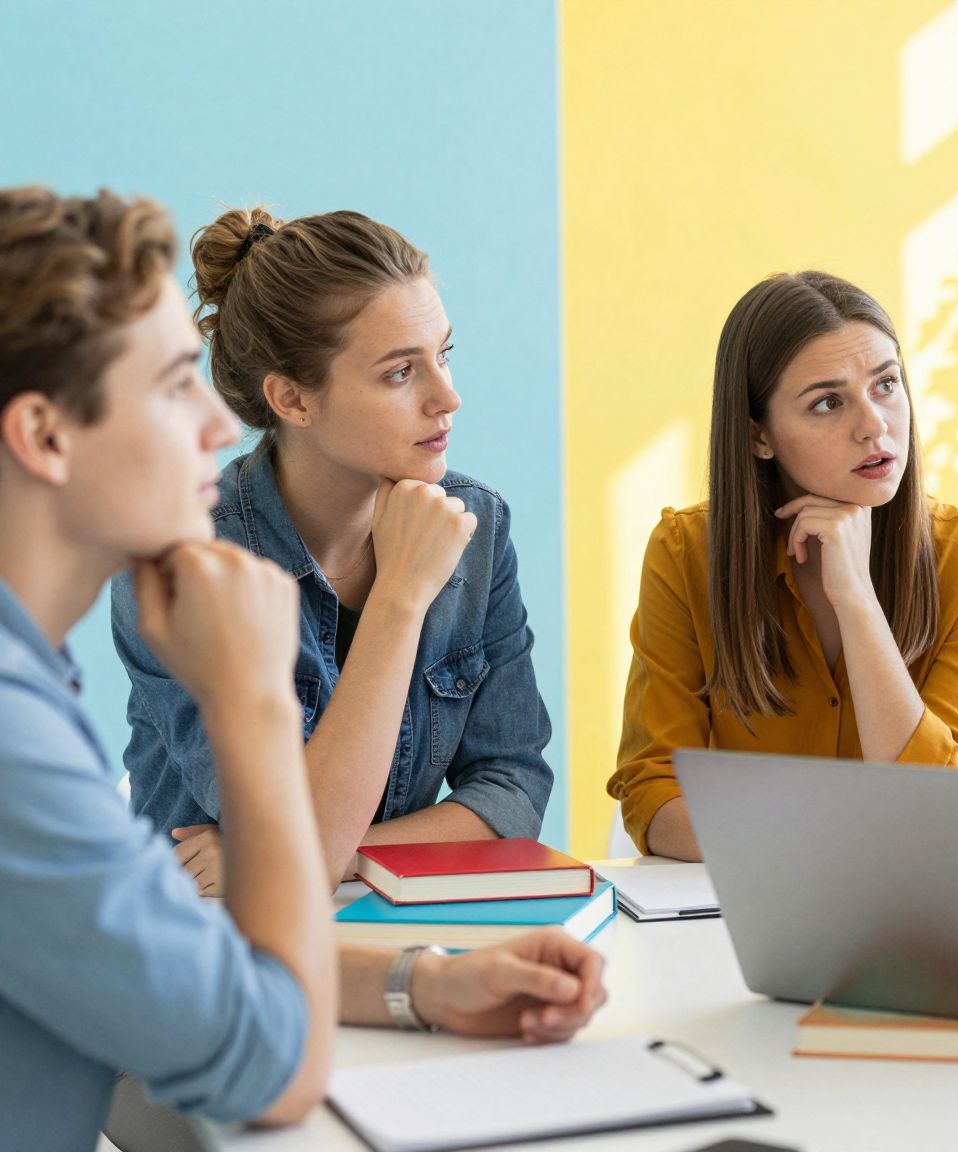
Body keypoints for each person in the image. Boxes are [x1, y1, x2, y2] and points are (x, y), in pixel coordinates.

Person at [0, 186, 604, 1151]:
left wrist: (428, 981)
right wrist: (251, 709)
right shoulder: (14, 737)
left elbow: (181, 954)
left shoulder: (33, 686)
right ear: (44, 435)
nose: (213, 417)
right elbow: (267, 1065)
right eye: (168, 384)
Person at [111, 206, 554, 892]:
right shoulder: (186, 563)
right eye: (400, 373)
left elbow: (512, 790)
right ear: (293, 399)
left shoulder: (476, 526)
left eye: (444, 355)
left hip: (375, 926)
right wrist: (402, 598)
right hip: (203, 948)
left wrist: (339, 852)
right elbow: (300, 852)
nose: (449, 398)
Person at [609, 271, 958, 860]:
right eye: (828, 402)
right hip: (740, 911)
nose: (874, 425)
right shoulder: (686, 552)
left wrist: (857, 601)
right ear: (758, 436)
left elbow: (944, 814)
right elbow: (652, 793)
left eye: (886, 384)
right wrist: (821, 849)